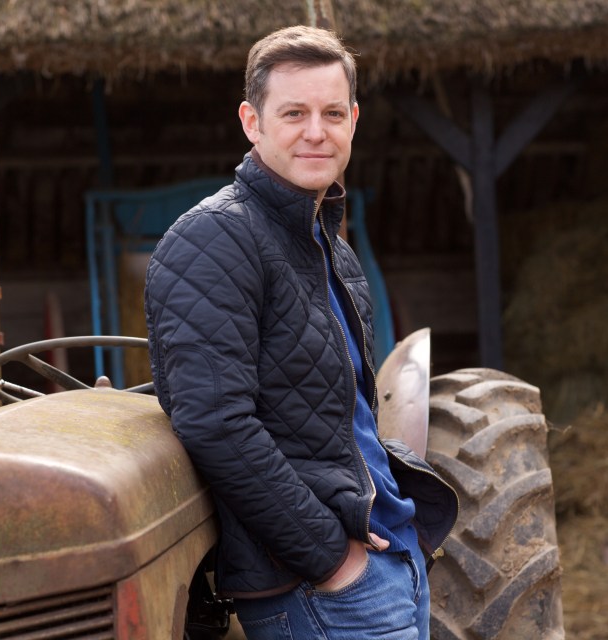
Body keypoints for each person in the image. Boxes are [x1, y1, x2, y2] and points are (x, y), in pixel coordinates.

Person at [144, 25, 458, 639]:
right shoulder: (214, 239)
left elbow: (347, 420)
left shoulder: (329, 250)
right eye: (294, 113)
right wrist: (332, 561)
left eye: (332, 113)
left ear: (354, 121)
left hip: (390, 563)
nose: (317, 131)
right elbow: (215, 422)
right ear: (251, 122)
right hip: (325, 591)